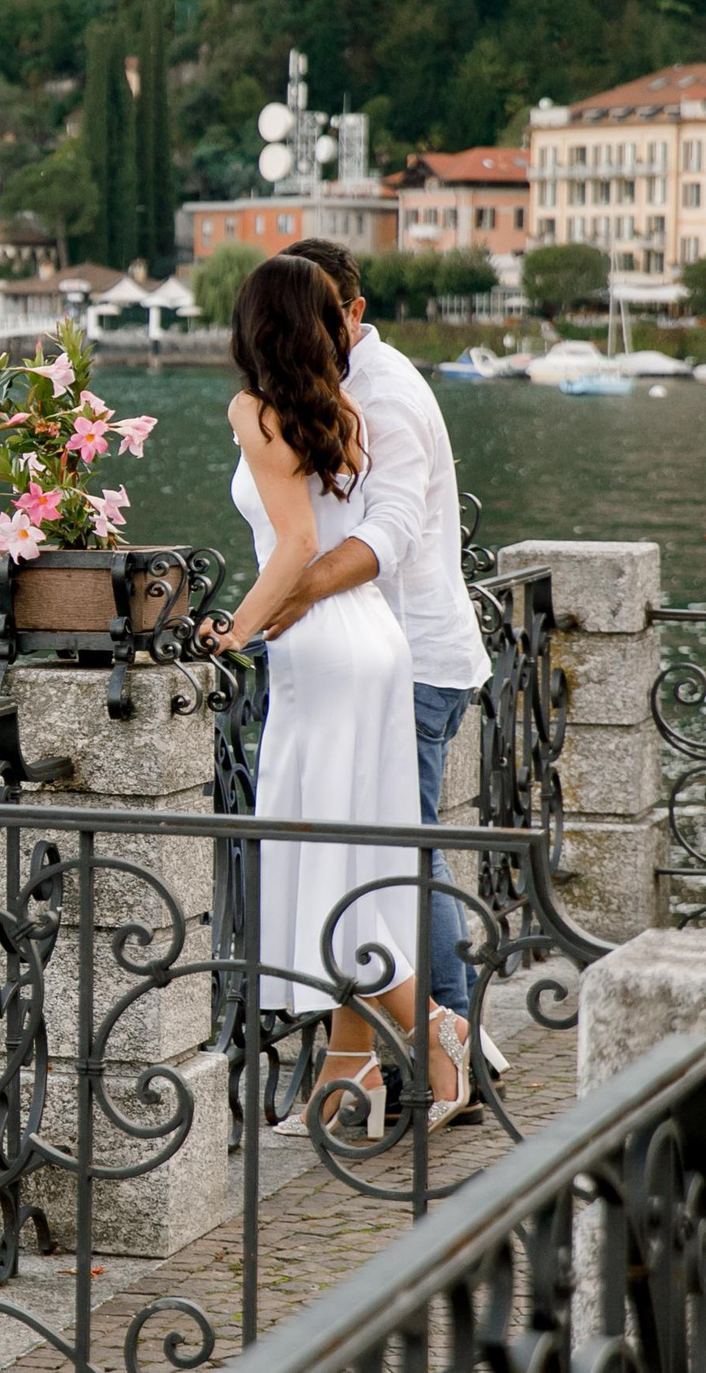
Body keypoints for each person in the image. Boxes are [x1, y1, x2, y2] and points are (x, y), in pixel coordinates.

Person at [212, 255, 470, 1137]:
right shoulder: (343, 410)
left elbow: (291, 545)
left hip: (320, 647)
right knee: (361, 865)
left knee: (326, 873)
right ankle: (348, 1068)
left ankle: (438, 1031)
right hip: (374, 640)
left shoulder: (257, 411)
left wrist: (237, 628)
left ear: (253, 326)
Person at [266, 237, 496, 1049]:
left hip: (412, 657)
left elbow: (389, 533)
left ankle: (453, 1045)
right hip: (367, 657)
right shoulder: (329, 388)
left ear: (353, 312)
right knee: (384, 856)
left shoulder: (386, 392)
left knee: (404, 857)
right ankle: (391, 1056)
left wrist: (287, 598)